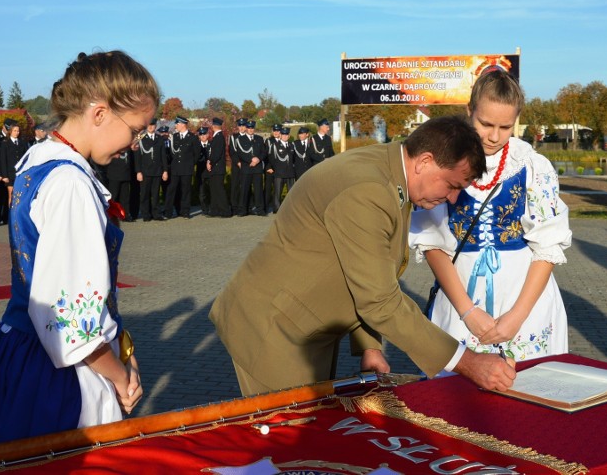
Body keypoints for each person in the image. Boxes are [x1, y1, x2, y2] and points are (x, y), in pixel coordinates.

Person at [209, 115, 517, 396]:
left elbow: (364, 271)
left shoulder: (392, 171)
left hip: (302, 323)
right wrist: (468, 362)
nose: (450, 198)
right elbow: (380, 300)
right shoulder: (369, 189)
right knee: (288, 440)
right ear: (425, 160)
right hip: (275, 331)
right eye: (451, 185)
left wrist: (369, 345)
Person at [0, 50, 155, 447]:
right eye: (135, 129)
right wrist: (119, 376)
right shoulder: (70, 183)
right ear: (100, 113)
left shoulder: (39, 160)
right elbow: (73, 322)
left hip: (17, 347)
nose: (135, 143)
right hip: (56, 375)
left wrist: (121, 342)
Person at [409, 67, 571, 362]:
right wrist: (467, 311)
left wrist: (517, 316)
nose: (495, 136)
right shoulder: (443, 160)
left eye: (506, 127)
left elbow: (547, 247)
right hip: (460, 300)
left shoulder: (533, 166)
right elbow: (432, 243)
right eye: (485, 123)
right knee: (455, 395)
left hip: (525, 300)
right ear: (469, 109)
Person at [163, 116, 198, 219]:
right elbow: (171, 153)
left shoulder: (193, 137)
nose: (175, 126)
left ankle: (185, 211)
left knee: (185, 191)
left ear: (183, 125)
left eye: (177, 124)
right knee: (171, 190)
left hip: (186, 168)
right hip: (175, 168)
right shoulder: (174, 137)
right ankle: (168, 212)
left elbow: (196, 154)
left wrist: (190, 164)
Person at [134, 118, 168, 221]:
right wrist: (138, 171)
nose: (151, 127)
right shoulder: (141, 139)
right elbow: (137, 157)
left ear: (155, 126)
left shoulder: (160, 138)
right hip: (145, 171)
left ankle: (156, 214)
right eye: (149, 125)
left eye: (153, 125)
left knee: (155, 194)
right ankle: (146, 215)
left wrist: (165, 170)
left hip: (157, 171)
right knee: (145, 194)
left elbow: (163, 156)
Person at [0, 122, 29, 213]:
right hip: (9, 173)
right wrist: (4, 175)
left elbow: (26, 158)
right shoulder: (5, 143)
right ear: (10, 132)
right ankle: (12, 214)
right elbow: (3, 160)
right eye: (15, 131)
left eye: (18, 131)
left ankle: (19, 214)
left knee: (20, 194)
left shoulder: (23, 143)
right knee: (11, 194)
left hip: (20, 173)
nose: (17, 133)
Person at [206, 117, 231, 218]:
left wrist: (210, 161)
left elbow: (216, 154)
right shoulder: (218, 137)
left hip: (217, 168)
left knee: (219, 190)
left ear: (213, 126)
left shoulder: (219, 137)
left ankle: (225, 211)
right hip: (215, 168)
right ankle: (214, 210)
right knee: (214, 189)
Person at [268, 125, 295, 213]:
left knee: (291, 192)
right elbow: (271, 159)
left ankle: (290, 209)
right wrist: (274, 168)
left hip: (290, 173)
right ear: (280, 135)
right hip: (279, 172)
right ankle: (277, 209)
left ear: (289, 136)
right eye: (283, 134)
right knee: (277, 192)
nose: (285, 136)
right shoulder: (275, 145)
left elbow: (293, 159)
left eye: (286, 135)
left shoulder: (291, 145)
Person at [195, 126, 211, 215]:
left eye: (204, 134)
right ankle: (205, 209)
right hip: (200, 172)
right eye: (201, 135)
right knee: (202, 193)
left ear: (208, 135)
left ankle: (211, 207)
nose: (203, 136)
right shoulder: (196, 146)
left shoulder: (212, 144)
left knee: (211, 191)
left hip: (210, 172)